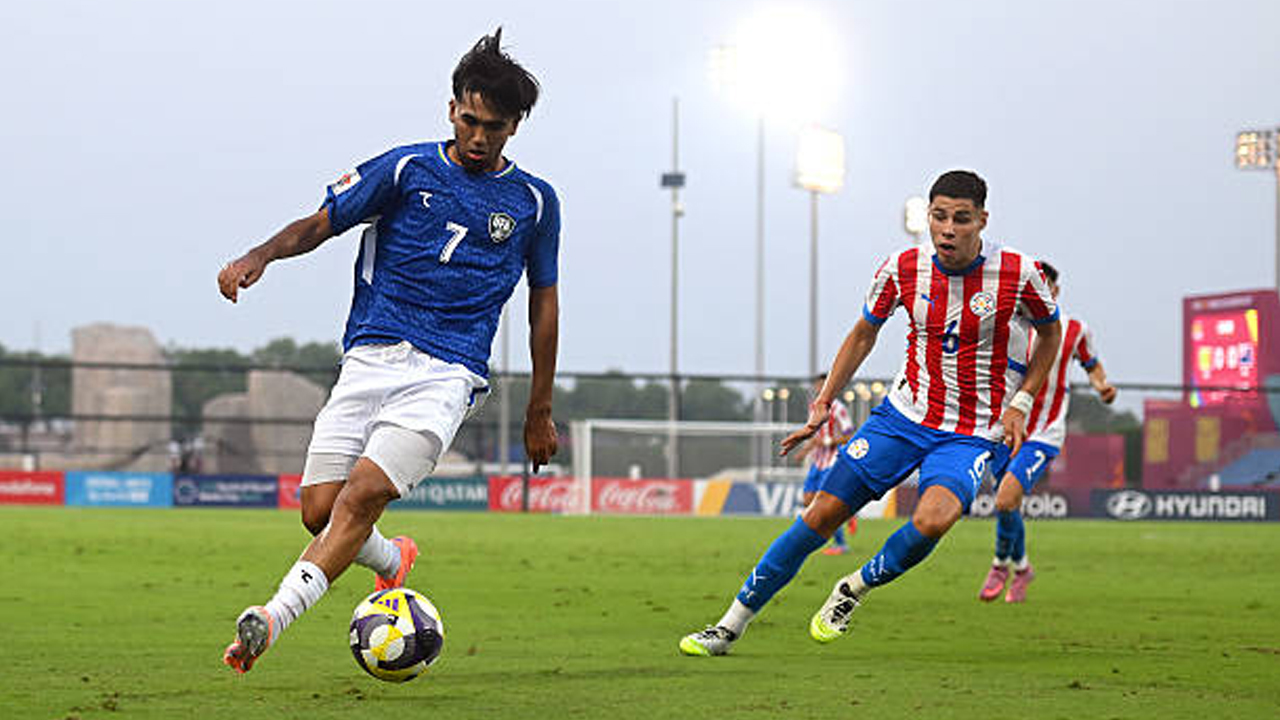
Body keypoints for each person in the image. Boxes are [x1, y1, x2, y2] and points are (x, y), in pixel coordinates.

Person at [215, 28, 560, 674]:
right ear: (452, 108)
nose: (478, 137)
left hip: (447, 372)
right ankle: (392, 559)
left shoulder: (535, 203)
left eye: (493, 127)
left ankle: (270, 618)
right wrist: (259, 255)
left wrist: (539, 408)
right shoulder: (404, 169)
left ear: (514, 126)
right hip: (370, 357)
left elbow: (545, 302)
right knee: (319, 511)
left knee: (360, 497)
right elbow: (321, 222)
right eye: (469, 120)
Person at [679, 170, 1062, 656]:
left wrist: (1021, 401)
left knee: (935, 519)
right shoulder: (903, 267)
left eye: (961, 219)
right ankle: (728, 627)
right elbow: (864, 334)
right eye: (939, 217)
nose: (947, 229)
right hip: (901, 419)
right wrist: (824, 402)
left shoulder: (1019, 273)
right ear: (929, 216)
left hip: (969, 433)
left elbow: (1050, 334)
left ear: (982, 220)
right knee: (820, 515)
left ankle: (852, 588)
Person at [978, 262, 1116, 603]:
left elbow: (1091, 364)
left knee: (1005, 498)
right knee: (1008, 504)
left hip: (1044, 431)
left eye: (1044, 286)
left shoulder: (1073, 329)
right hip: (1006, 428)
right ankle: (1023, 568)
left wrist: (1102, 385)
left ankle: (1000, 564)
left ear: (1054, 291)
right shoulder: (1008, 325)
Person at [796, 373, 856, 554]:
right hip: (817, 461)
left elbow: (850, 435)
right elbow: (815, 436)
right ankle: (847, 515)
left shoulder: (839, 409)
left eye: (823, 385)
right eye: (818, 385)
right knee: (807, 500)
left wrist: (829, 442)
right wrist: (803, 452)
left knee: (824, 504)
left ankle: (840, 544)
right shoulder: (814, 408)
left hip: (832, 461)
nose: (820, 388)